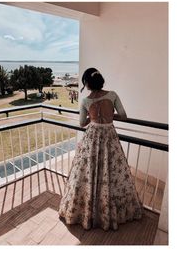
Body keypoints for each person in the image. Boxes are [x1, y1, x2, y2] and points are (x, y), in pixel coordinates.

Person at [58, 67, 144, 231]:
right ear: (100, 80)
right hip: (109, 136)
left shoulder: (85, 101)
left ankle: (88, 211)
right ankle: (109, 213)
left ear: (87, 84)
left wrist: (93, 116)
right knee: (112, 172)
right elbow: (124, 115)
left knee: (88, 172)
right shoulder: (112, 95)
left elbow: (82, 123)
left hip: (92, 138)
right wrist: (110, 116)